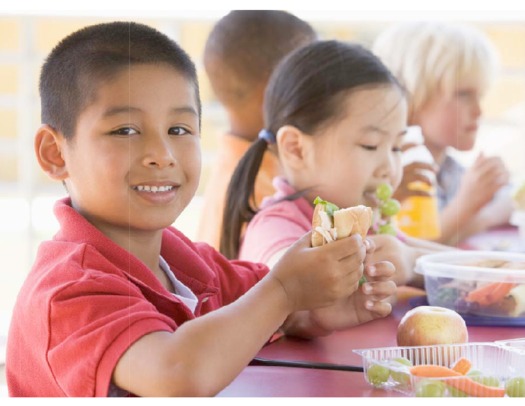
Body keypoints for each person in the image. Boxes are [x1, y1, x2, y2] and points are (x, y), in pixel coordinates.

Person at [6, 22, 397, 397]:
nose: (161, 155)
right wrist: (284, 291)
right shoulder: (68, 291)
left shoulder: (184, 263)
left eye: (179, 130)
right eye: (125, 130)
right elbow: (178, 374)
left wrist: (315, 309)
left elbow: (261, 305)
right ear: (55, 153)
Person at [220, 40, 452, 289]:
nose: (390, 168)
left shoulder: (360, 222)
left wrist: (410, 260)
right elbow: (292, 291)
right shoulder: (275, 228)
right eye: (370, 145)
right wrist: (410, 263)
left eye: (396, 147)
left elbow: (457, 264)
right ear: (296, 149)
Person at [372, 21, 513, 246]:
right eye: (463, 94)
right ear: (411, 95)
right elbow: (403, 252)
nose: (479, 111)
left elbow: (507, 203)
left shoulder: (450, 171)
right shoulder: (395, 174)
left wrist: (480, 210)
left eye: (481, 94)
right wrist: (467, 206)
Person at [196, 10, 317, 249]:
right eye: (310, 77)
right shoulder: (263, 194)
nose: (322, 89)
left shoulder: (243, 170)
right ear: (274, 87)